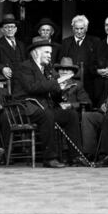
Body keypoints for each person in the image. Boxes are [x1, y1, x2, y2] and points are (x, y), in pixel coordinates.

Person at [11, 37, 82, 168]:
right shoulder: (24, 67)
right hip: (26, 108)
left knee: (71, 115)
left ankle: (75, 157)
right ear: (37, 53)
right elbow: (32, 88)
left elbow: (52, 90)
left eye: (50, 53)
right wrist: (56, 83)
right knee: (47, 114)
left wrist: (63, 90)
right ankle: (49, 158)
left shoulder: (48, 69)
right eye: (47, 53)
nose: (50, 56)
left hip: (44, 107)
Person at [57, 15, 99, 98]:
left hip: (89, 82)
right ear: (73, 29)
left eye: (82, 28)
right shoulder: (66, 42)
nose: (79, 31)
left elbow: (97, 61)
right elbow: (60, 62)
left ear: (86, 28)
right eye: (76, 29)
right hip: (69, 82)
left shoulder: (95, 42)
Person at [0, 14, 26, 81]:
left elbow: (26, 61)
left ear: (16, 29)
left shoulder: (21, 44)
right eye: (6, 27)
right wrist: (2, 68)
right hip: (6, 79)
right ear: (2, 30)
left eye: (12, 27)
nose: (10, 29)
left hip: (21, 78)